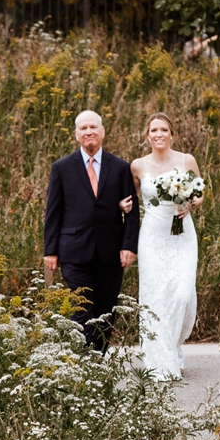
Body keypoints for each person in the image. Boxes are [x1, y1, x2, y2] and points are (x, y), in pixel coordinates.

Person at [43, 110, 140, 352]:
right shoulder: (62, 168)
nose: (89, 132)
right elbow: (53, 212)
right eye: (84, 128)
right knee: (82, 309)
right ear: (76, 134)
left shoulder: (120, 167)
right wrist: (50, 251)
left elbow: (132, 212)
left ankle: (97, 360)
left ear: (103, 132)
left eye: (93, 127)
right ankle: (83, 361)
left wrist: (128, 246)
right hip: (73, 251)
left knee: (106, 311)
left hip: (110, 252)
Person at [129, 113, 200, 379]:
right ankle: (160, 356)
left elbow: (200, 192)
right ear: (147, 135)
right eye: (154, 130)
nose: (159, 134)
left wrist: (190, 203)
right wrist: (123, 206)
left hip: (183, 237)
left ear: (172, 134)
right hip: (152, 237)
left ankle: (174, 344)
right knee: (155, 296)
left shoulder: (186, 160)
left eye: (164, 130)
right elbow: (132, 199)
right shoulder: (137, 166)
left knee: (182, 293)